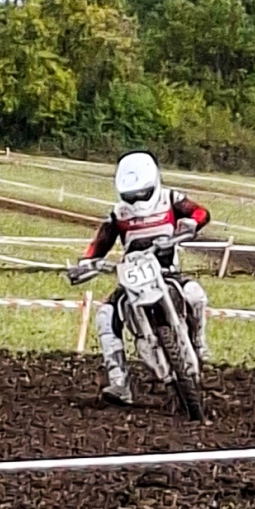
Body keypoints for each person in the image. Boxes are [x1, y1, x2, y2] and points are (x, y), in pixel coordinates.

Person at [67, 151, 212, 404]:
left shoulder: (170, 199)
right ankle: (120, 382)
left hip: (167, 271)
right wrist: (85, 264)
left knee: (195, 294)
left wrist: (190, 225)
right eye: (131, 196)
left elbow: (201, 213)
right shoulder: (118, 214)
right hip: (131, 275)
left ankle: (199, 342)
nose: (137, 200)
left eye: (142, 194)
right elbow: (99, 243)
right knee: (105, 316)